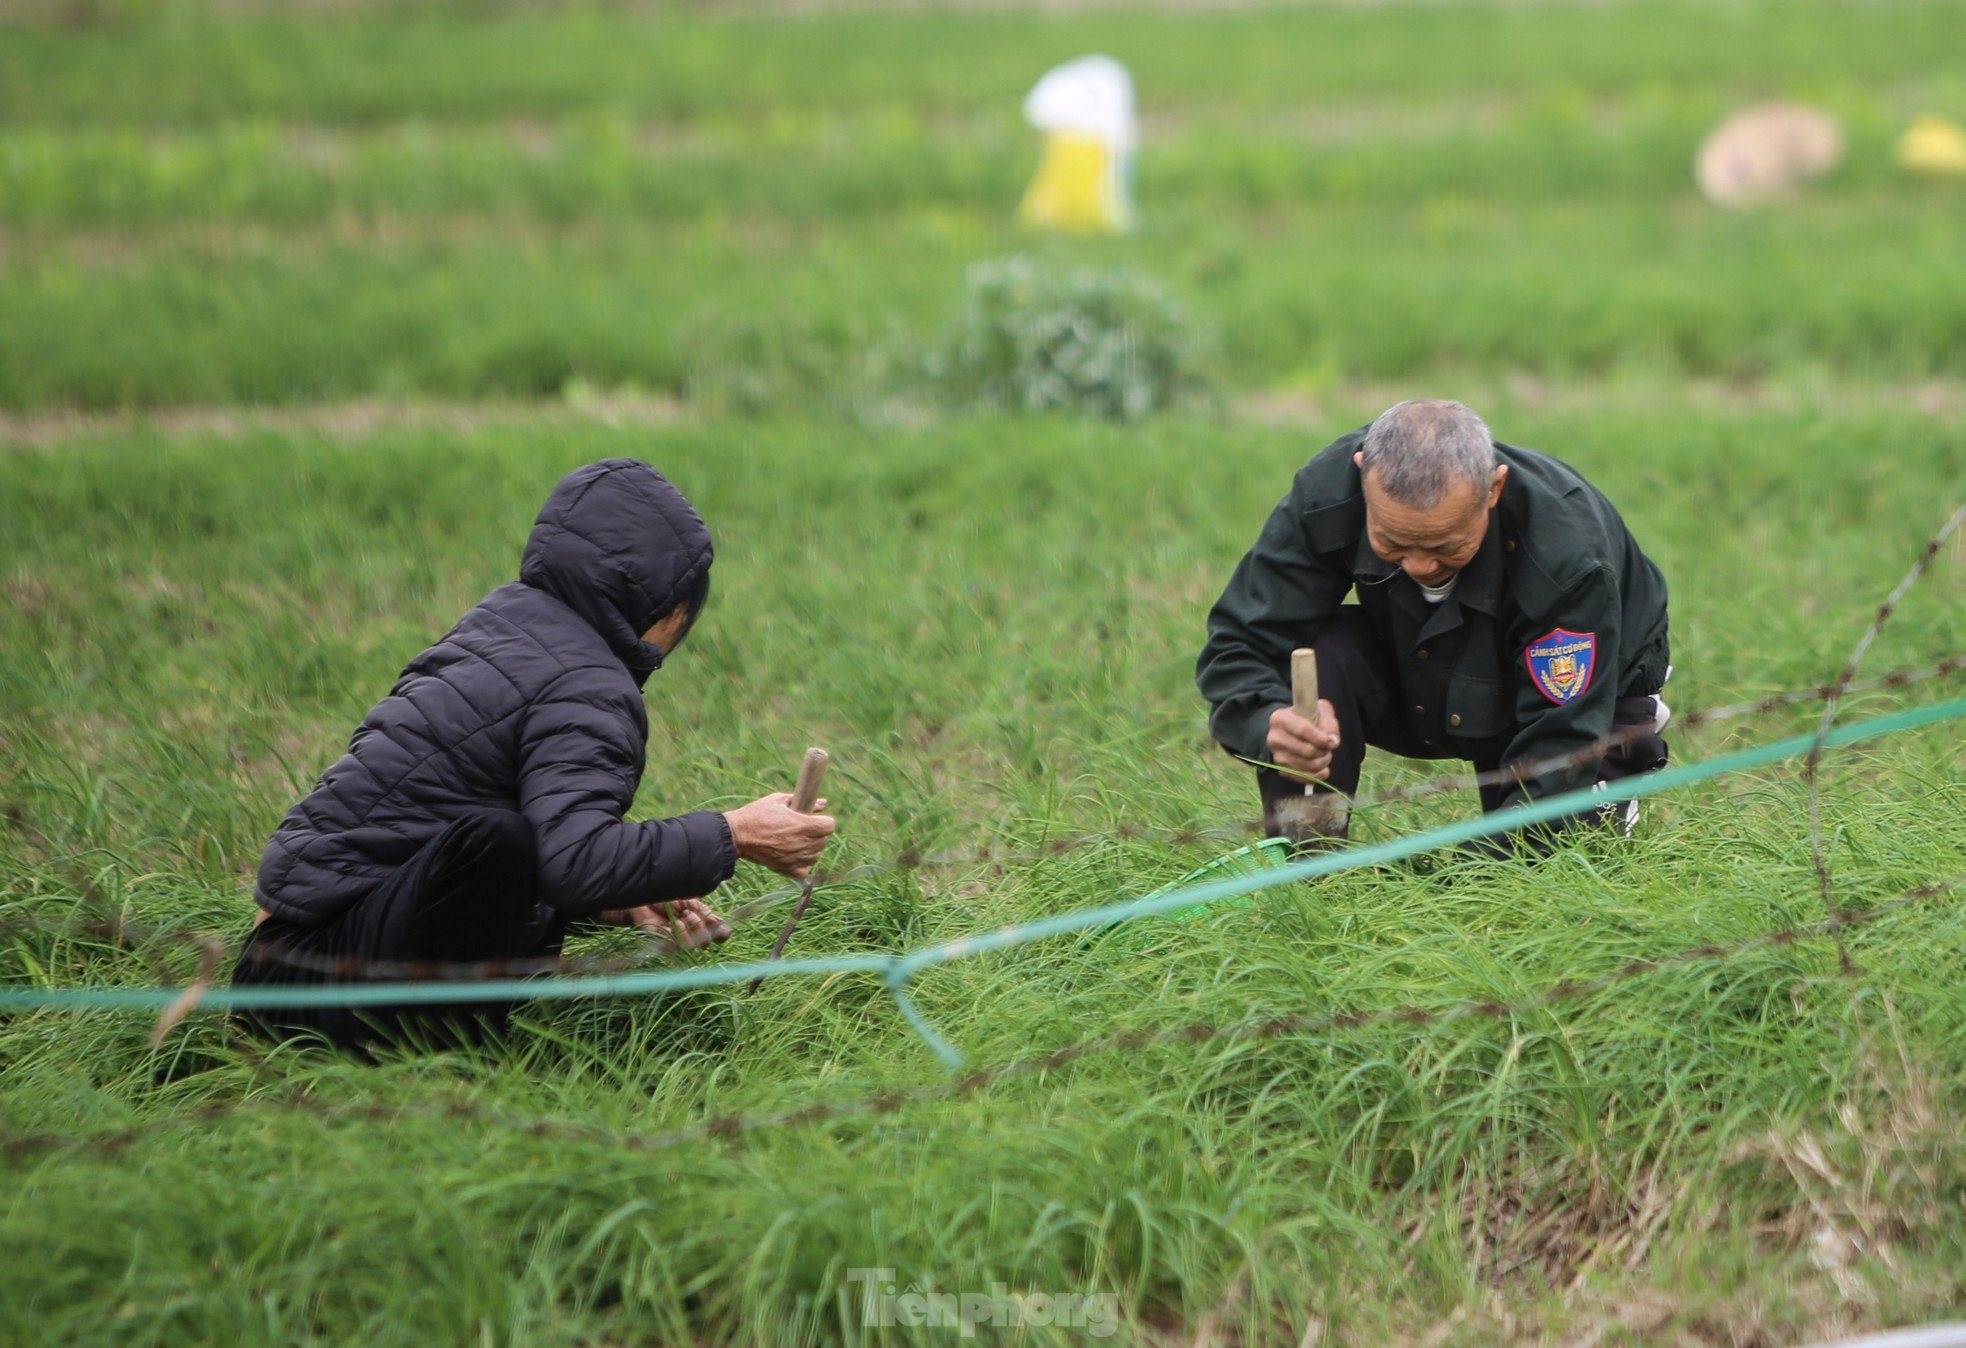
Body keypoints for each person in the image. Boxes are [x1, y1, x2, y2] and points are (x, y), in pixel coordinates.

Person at [233, 458, 836, 1046]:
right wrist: (735, 834)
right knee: (498, 842)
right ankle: (448, 1069)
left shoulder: (500, 624)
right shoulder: (589, 682)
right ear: (663, 605)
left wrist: (615, 903)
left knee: (506, 839)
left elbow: (450, 848)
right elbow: (568, 863)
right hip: (326, 981)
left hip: (278, 964)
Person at [1196, 400, 1671, 852]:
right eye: (1393, 543)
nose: (1420, 566)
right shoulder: (1327, 494)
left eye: (1446, 545)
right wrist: (1267, 723)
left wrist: (1455, 880)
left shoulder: (1565, 554)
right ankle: (1309, 868)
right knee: (1322, 652)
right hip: (1422, 663)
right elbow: (1239, 644)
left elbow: (1563, 747)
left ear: (1493, 490)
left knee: (1561, 864)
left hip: (1584, 697)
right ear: (1363, 478)